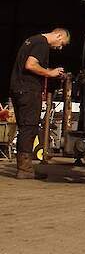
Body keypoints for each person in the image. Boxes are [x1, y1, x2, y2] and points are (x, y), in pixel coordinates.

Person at [9, 28, 70, 180]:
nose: (60, 47)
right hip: (28, 91)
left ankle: (25, 167)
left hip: (18, 89)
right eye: (62, 43)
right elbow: (31, 65)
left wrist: (51, 72)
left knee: (24, 128)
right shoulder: (42, 43)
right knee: (29, 128)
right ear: (58, 35)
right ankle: (25, 169)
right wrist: (50, 73)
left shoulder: (32, 40)